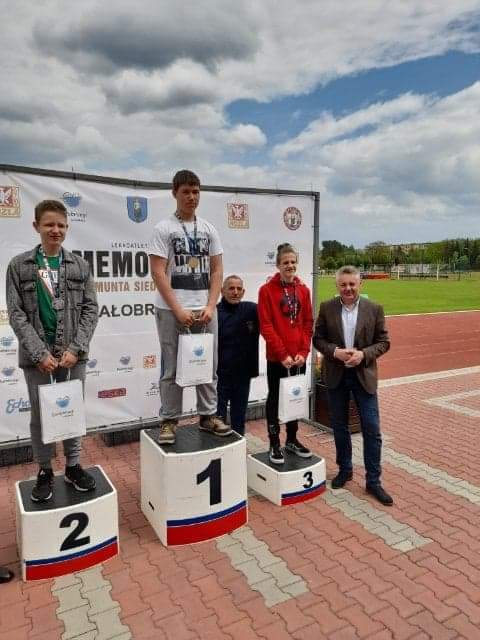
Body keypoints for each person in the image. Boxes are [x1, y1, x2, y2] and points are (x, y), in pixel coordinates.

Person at [6, 200, 98, 503]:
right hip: (37, 359)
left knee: (72, 410)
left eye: (60, 225)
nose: (55, 230)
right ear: (36, 226)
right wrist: (39, 353)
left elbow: (91, 309)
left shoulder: (80, 266)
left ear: (67, 227)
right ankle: (45, 470)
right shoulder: (18, 266)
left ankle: (73, 466)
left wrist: (76, 348)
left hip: (73, 357)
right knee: (40, 415)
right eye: (49, 224)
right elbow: (16, 314)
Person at [149, 169, 231, 443]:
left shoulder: (208, 229)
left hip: (205, 310)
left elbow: (217, 271)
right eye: (186, 191)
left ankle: (208, 416)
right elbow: (158, 272)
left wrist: (211, 305)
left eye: (196, 191)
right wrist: (178, 309)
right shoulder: (164, 228)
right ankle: (169, 420)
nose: (191, 197)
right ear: (175, 193)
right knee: (171, 368)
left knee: (207, 364)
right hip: (171, 310)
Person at [313, 265, 393, 505]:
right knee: (339, 426)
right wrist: (334, 352)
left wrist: (363, 355)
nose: (348, 288)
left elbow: (384, 342)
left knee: (372, 428)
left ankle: (373, 481)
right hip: (336, 375)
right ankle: (345, 470)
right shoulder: (327, 307)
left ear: (360, 284)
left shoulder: (374, 309)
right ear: (337, 285)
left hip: (363, 376)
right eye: (343, 284)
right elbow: (318, 339)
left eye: (352, 284)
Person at [258, 243, 313, 464]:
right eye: (285, 262)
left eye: (293, 262)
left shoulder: (304, 290)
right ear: (278, 265)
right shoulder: (266, 290)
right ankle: (274, 443)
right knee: (274, 398)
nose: (290, 265)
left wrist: (304, 351)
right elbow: (266, 325)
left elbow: (308, 323)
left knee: (294, 397)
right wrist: (282, 354)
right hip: (277, 359)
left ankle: (291, 439)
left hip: (298, 358)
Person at [217, 275, 259, 435]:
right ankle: (217, 449)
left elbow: (273, 319)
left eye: (239, 289)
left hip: (243, 375)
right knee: (217, 419)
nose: (235, 292)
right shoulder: (214, 313)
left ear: (243, 292)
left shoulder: (252, 310)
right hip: (220, 376)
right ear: (222, 291)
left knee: (239, 419)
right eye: (231, 288)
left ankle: (239, 446)